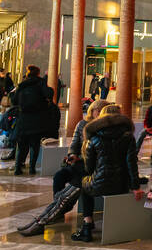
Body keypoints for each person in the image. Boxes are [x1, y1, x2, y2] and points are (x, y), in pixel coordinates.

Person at [16, 100, 111, 237]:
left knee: (65, 196)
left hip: (90, 171)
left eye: (101, 110)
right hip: (83, 167)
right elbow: (75, 145)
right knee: (61, 182)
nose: (98, 113)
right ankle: (44, 219)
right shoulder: (84, 125)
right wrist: (73, 155)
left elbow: (97, 158)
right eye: (96, 110)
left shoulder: (103, 132)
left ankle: (41, 222)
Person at [70, 104, 142, 242]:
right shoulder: (128, 137)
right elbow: (131, 163)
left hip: (99, 183)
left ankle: (87, 225)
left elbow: (89, 167)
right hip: (121, 184)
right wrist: (135, 186)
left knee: (85, 185)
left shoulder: (94, 138)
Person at [11, 65, 57, 175]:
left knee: (21, 145)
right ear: (38, 73)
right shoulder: (40, 83)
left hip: (23, 119)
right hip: (37, 119)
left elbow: (14, 101)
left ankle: (18, 168)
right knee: (34, 144)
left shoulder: (22, 85)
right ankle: (32, 168)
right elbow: (49, 94)